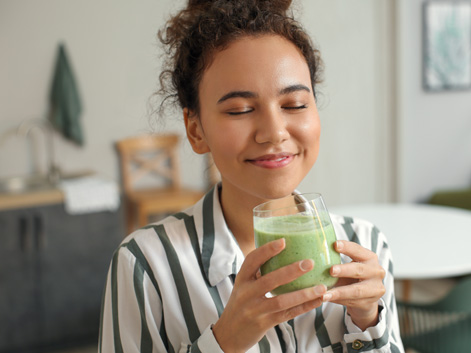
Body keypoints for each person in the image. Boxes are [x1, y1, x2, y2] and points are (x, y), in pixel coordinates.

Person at [99, 0, 404, 352]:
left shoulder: (365, 246)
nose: (274, 132)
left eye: (294, 105)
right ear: (196, 130)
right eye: (240, 109)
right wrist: (224, 341)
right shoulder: (145, 265)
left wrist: (367, 322)